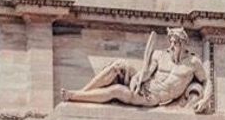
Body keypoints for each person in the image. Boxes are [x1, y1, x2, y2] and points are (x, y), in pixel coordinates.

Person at [62, 27, 212, 112]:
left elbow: (206, 82)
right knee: (118, 66)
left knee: (116, 90)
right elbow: (148, 72)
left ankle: (74, 96)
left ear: (184, 43)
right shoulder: (160, 55)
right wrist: (138, 78)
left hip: (153, 97)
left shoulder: (193, 63)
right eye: (171, 42)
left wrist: (205, 100)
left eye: (176, 43)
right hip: (143, 84)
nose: (172, 46)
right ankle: (84, 91)